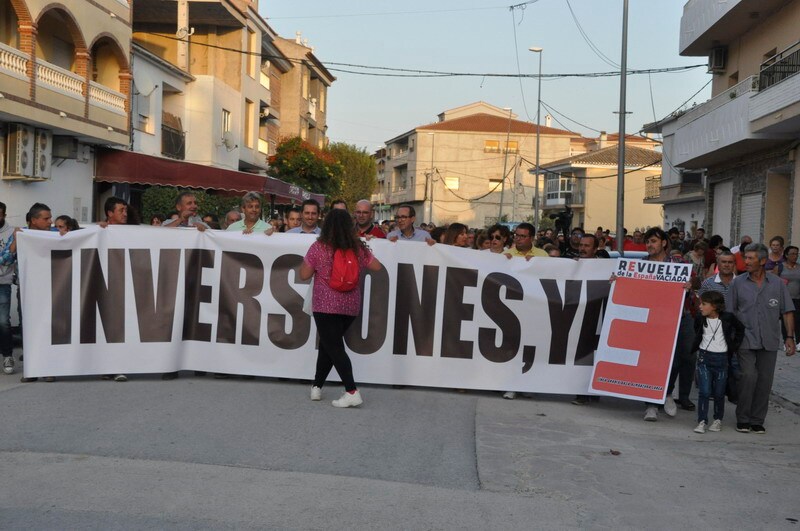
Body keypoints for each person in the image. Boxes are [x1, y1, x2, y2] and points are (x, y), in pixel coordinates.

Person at [299, 209, 382, 408]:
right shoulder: (357, 247)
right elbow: (377, 266)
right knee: (330, 345)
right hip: (350, 305)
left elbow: (303, 275)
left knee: (334, 347)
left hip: (325, 305)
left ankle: (351, 391)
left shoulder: (319, 247)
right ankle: (316, 387)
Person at [727, 243, 795, 434]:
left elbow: (787, 311)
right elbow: (729, 314)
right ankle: (743, 418)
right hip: (745, 339)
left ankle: (757, 420)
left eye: (750, 258)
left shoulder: (777, 284)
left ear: (763, 261)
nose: (745, 262)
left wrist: (789, 337)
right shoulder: (737, 283)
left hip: (769, 339)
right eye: (745, 258)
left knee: (765, 380)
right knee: (749, 377)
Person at [640, 227, 697, 422]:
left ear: (664, 243)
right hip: (654, 321)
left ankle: (666, 392)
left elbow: (694, 283)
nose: (649, 245)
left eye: (653, 241)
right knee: (654, 360)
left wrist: (690, 285)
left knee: (683, 355)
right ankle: (651, 405)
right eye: (647, 242)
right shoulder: (642, 264)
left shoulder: (679, 263)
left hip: (681, 317)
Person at [691, 291, 744, 434]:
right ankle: (702, 421)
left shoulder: (728, 318)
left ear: (714, 306)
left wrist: (733, 346)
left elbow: (740, 329)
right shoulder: (700, 318)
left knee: (719, 392)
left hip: (721, 359)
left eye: (704, 304)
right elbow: (697, 331)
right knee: (704, 391)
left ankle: (717, 419)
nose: (700, 307)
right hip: (704, 358)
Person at [18, 204, 56, 382]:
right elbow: (5, 259)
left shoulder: (57, 234)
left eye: (50, 218)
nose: (50, 222)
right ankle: (32, 369)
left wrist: (102, 228)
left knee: (50, 327)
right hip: (27, 289)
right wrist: (14, 243)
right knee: (29, 328)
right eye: (46, 218)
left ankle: (48, 367)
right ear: (33, 220)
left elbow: (79, 236)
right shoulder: (21, 235)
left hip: (52, 288)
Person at [572, 234, 605, 406]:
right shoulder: (572, 264)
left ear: (595, 249)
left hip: (598, 316)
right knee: (582, 355)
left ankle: (594, 389)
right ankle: (581, 392)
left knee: (596, 354)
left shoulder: (604, 267)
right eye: (581, 245)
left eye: (587, 246)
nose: (582, 248)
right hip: (578, 316)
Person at [0, 203, 16, 375]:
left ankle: (7, 355)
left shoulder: (12, 232)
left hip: (2, 282)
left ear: (4, 214)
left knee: (3, 321)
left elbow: (8, 259)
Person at [780, 246, 800, 342]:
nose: (795, 256)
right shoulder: (779, 267)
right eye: (792, 254)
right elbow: (773, 282)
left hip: (797, 297)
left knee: (798, 320)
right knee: (786, 320)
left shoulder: (799, 267)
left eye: (797, 254)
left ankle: (798, 342)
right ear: (786, 255)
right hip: (784, 298)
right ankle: (786, 340)